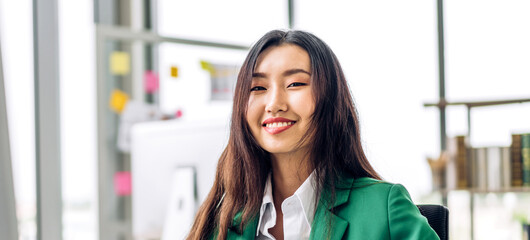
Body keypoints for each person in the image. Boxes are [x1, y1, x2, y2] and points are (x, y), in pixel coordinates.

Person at [187, 29, 439, 240]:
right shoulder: (221, 223)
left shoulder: (383, 208)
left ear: (330, 98)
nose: (274, 103)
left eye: (295, 84)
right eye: (258, 87)